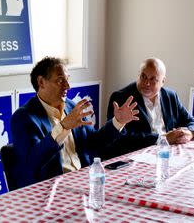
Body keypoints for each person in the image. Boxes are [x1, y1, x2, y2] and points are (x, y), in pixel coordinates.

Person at [11, 56, 139, 188]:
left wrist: (117, 122)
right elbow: (32, 163)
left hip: (82, 181)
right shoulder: (23, 117)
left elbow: (93, 143)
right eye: (60, 80)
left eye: (68, 79)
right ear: (41, 82)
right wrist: (63, 127)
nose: (68, 86)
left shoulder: (71, 106)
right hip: (49, 189)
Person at [105, 58, 194, 158]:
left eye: (153, 79)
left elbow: (193, 122)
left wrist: (190, 133)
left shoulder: (171, 96)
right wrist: (163, 138)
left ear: (163, 81)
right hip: (136, 157)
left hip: (168, 154)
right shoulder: (121, 97)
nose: (147, 83)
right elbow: (120, 140)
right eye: (143, 77)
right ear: (138, 75)